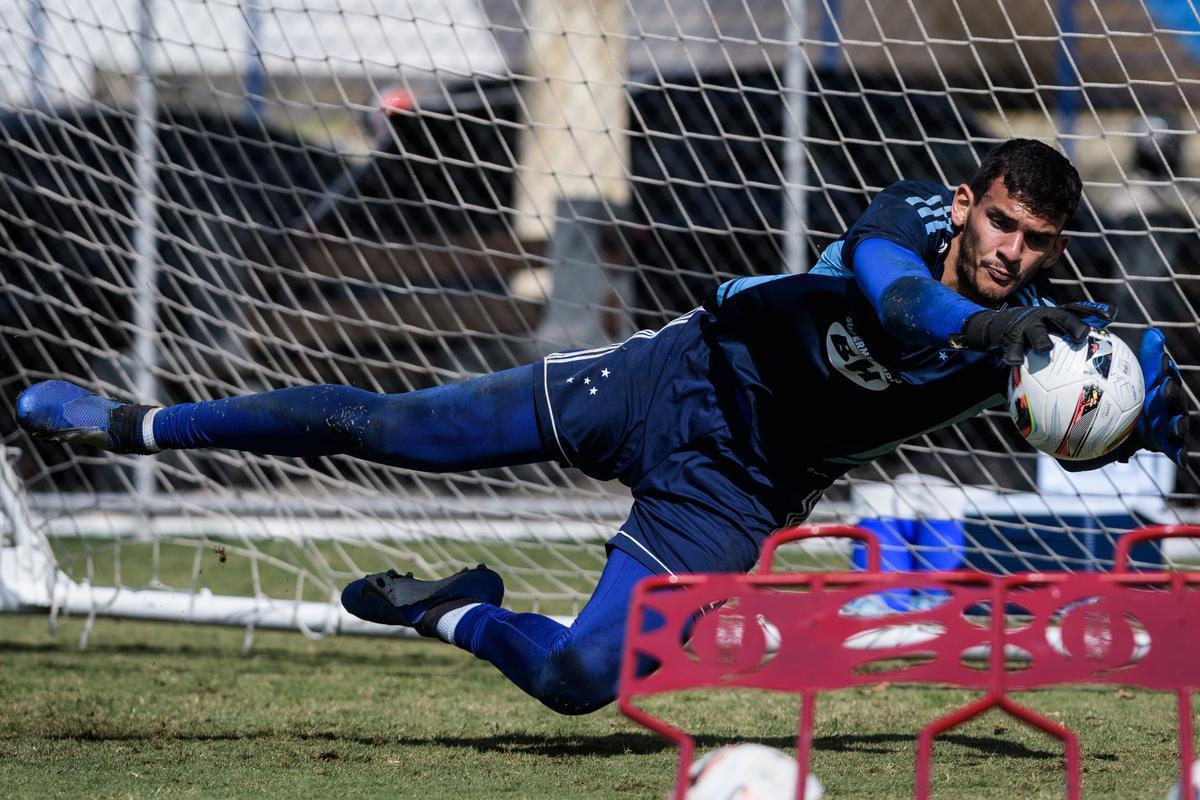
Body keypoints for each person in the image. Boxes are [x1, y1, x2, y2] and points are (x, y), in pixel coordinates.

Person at [14, 139, 1189, 715]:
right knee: (387, 424)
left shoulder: (1055, 347)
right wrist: (978, 334)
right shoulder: (910, 222)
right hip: (667, 380)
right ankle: (139, 423)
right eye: (997, 225)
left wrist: (1162, 418)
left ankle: (451, 608)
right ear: (970, 202)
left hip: (737, 489)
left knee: (582, 679)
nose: (1007, 252)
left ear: (1055, 251)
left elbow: (1148, 377)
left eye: (1033, 245)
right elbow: (891, 292)